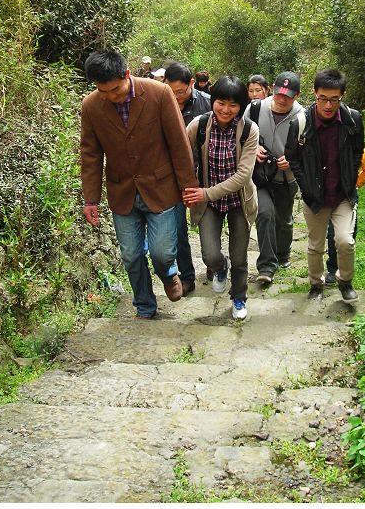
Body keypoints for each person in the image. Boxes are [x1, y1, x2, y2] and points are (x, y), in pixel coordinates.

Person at [80, 50, 198, 318]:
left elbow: (178, 143)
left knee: (162, 253)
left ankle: (168, 273)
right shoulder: (91, 106)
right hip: (122, 190)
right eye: (103, 91)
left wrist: (188, 186)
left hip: (161, 187)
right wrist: (91, 199)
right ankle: (144, 305)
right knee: (131, 256)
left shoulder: (159, 93)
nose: (111, 96)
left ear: (126, 74)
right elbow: (90, 154)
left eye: (115, 89)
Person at [182, 76, 259, 320]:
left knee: (240, 257)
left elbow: (243, 176)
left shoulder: (249, 130)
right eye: (221, 102)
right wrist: (189, 187)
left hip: (239, 201)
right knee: (209, 255)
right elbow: (182, 156)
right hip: (209, 203)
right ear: (213, 101)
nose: (226, 109)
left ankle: (238, 297)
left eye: (233, 104)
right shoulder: (199, 125)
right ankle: (220, 267)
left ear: (241, 106)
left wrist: (205, 192)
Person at [286, 68, 364, 303]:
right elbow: (292, 157)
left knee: (345, 241)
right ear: (314, 93)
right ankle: (316, 284)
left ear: (342, 96)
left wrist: (350, 177)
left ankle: (345, 281)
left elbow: (358, 151)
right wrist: (306, 185)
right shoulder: (300, 123)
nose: (328, 105)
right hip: (315, 197)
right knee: (316, 246)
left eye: (334, 99)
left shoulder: (353, 120)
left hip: (342, 195)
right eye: (323, 99)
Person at [245, 71, 304, 286]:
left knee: (284, 220)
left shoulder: (303, 117)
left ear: (297, 95)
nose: (281, 99)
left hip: (286, 179)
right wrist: (254, 149)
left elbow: (310, 151)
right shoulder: (255, 109)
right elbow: (240, 137)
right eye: (279, 93)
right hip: (259, 177)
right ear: (272, 89)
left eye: (287, 96)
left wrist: (293, 160)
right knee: (264, 214)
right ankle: (267, 266)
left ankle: (283, 252)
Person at [164, 61, 212, 295]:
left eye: (181, 92)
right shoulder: (161, 101)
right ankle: (187, 276)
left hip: (205, 174)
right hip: (173, 177)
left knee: (208, 220)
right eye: (171, 91)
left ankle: (213, 260)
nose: (176, 97)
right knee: (178, 227)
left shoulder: (207, 103)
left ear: (191, 83)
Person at [325, 149, 365, 285]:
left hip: (348, 197)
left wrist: (355, 184)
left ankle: (344, 268)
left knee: (348, 232)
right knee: (332, 232)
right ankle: (333, 268)